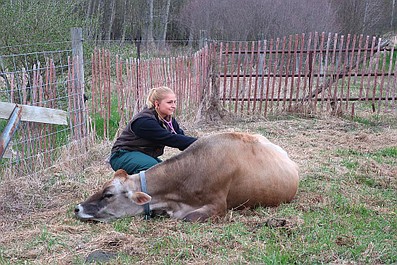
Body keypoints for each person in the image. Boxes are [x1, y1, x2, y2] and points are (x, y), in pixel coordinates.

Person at [109, 86, 197, 175]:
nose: (173, 106)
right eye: (169, 102)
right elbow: (170, 139)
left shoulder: (168, 119)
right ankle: (130, 187)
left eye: (175, 102)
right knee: (155, 172)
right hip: (123, 155)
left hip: (143, 156)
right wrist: (203, 142)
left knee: (169, 173)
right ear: (157, 104)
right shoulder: (144, 121)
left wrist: (203, 146)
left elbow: (182, 139)